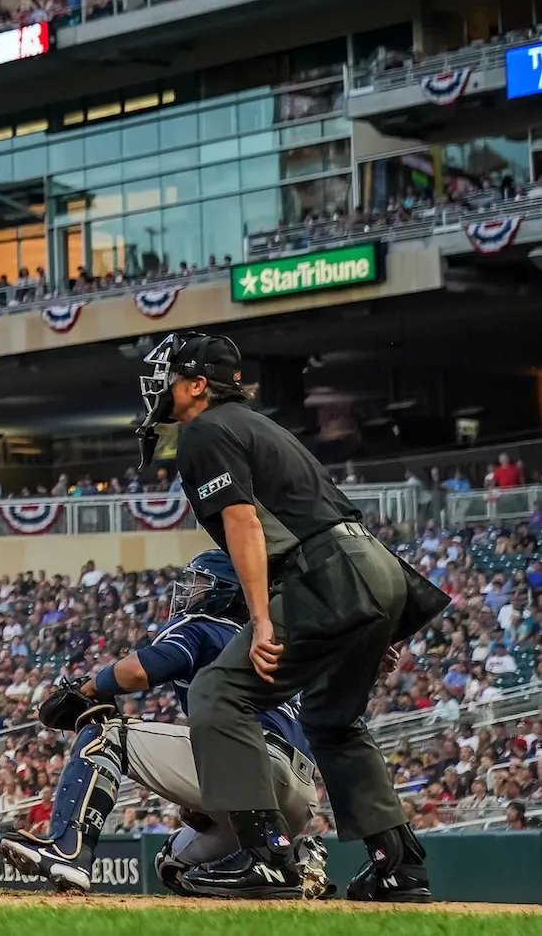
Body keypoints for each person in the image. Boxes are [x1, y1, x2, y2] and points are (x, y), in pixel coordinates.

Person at [140, 332, 448, 900]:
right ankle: (399, 863)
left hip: (326, 572)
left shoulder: (205, 429)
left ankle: (266, 858)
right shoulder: (263, 427)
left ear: (199, 384)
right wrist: (370, 620)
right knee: (332, 721)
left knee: (218, 693)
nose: (162, 386)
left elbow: (243, 523)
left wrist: (260, 619)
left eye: (172, 376)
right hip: (374, 568)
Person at [0, 549, 326, 896]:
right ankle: (293, 860)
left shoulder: (206, 626)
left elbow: (142, 670)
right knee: (176, 865)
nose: (191, 591)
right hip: (297, 796)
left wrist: (89, 686)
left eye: (201, 584)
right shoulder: (272, 642)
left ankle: (68, 850)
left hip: (252, 763)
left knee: (106, 733)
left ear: (226, 592)